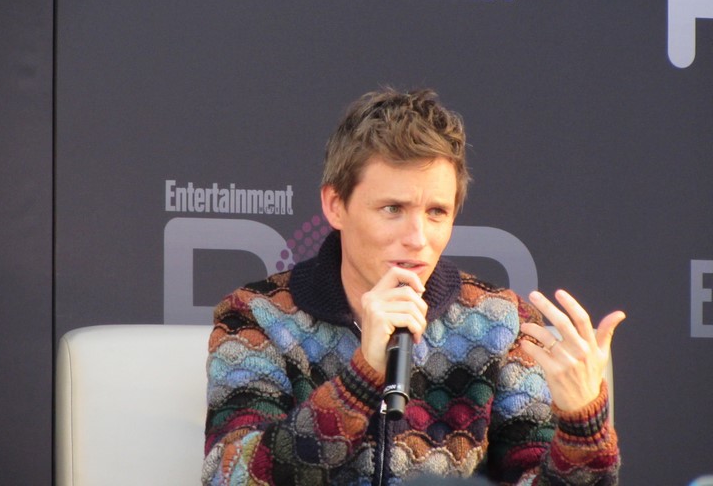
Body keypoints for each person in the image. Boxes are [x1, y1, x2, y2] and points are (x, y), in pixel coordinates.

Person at [202, 88, 624, 485]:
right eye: (393, 209)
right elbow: (230, 475)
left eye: (437, 212)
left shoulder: (500, 322)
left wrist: (581, 429)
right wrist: (361, 379)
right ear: (335, 205)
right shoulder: (256, 315)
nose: (418, 238)